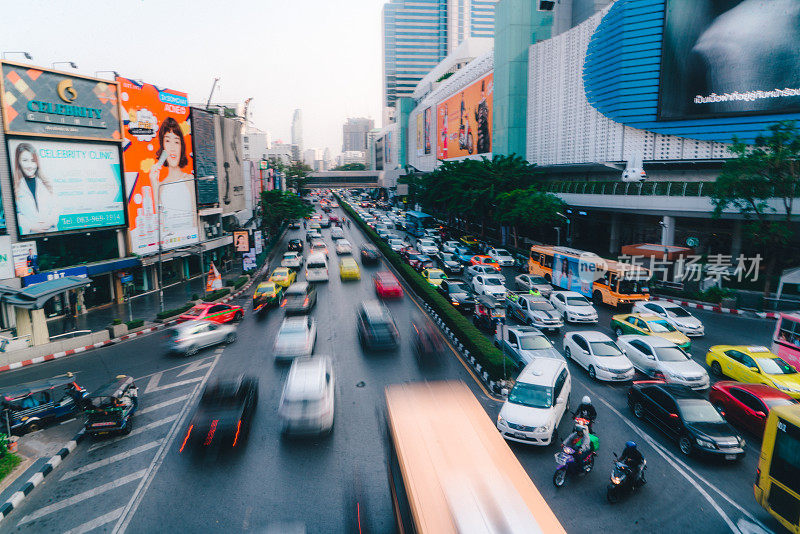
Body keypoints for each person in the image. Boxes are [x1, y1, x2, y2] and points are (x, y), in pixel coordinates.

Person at [149, 117, 195, 240]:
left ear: (182, 146)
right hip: (169, 240)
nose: (172, 148)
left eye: (177, 142)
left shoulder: (189, 179)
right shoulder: (160, 186)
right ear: (162, 146)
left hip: (188, 239)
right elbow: (158, 220)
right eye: (168, 141)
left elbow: (195, 217)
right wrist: (154, 182)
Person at [13, 142, 60, 234]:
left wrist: (50, 222)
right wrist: (31, 226)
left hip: (52, 232)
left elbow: (56, 207)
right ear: (18, 162)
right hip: (30, 235)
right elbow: (14, 214)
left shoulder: (46, 183)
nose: (30, 165)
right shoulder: (13, 186)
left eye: (33, 160)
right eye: (25, 160)